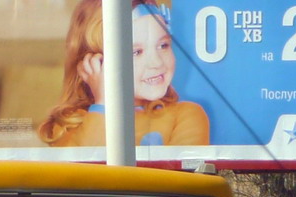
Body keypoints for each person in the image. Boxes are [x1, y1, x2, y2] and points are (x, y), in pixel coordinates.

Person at [37, 0, 209, 148]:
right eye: (136, 52)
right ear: (95, 62)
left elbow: (182, 183)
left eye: (163, 46)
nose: (157, 63)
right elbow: (87, 177)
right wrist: (103, 103)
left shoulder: (185, 115)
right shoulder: (68, 125)